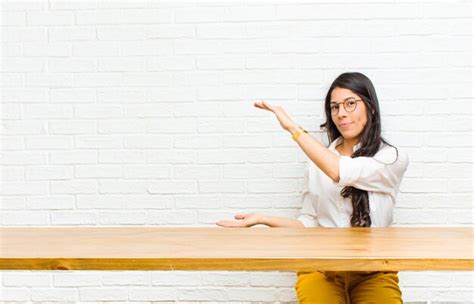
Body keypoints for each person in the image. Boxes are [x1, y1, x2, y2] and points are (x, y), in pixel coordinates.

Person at [216, 72, 409, 303]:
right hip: (321, 267)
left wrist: (293, 128)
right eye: (334, 107)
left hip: (374, 269)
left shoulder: (390, 158)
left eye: (350, 104)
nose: (341, 113)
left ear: (371, 107)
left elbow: (338, 171)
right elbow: (308, 224)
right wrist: (262, 219)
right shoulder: (317, 162)